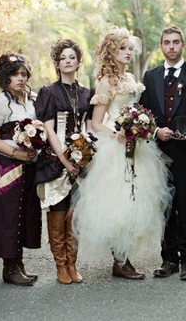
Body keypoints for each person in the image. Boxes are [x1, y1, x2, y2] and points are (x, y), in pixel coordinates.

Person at [72, 28, 171, 280]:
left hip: (138, 146)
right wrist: (118, 135)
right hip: (116, 146)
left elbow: (136, 109)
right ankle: (121, 260)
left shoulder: (130, 78)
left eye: (130, 48)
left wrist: (140, 127)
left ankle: (124, 257)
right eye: (123, 48)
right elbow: (96, 122)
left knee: (137, 199)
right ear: (111, 52)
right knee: (119, 201)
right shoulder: (106, 81)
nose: (128, 53)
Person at [140, 25, 186, 281]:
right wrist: (155, 131)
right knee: (164, 205)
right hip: (158, 153)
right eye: (166, 43)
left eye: (175, 42)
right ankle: (168, 258)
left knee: (185, 203)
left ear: (183, 45)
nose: (171, 47)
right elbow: (143, 116)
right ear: (161, 46)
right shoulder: (150, 76)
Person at [34, 39, 94, 284]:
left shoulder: (86, 93)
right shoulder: (48, 92)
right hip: (55, 161)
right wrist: (65, 160)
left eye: (72, 57)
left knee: (75, 215)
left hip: (80, 161)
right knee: (58, 213)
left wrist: (85, 153)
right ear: (57, 64)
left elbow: (88, 127)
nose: (67, 61)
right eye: (63, 58)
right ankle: (61, 265)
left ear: (79, 62)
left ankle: (73, 263)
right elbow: (49, 130)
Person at [0, 53, 42, 286]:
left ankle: (19, 264)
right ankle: (9, 267)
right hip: (6, 167)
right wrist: (16, 153)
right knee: (8, 216)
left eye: (24, 74)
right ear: (6, 77)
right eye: (15, 74)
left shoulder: (31, 100)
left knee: (24, 213)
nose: (20, 78)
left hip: (28, 166)